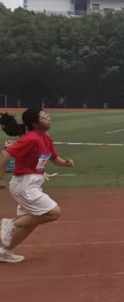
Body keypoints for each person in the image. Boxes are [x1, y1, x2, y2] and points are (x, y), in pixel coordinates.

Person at [0, 109, 74, 263]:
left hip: (33, 183)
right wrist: (0, 178)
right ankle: (10, 224)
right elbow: (6, 153)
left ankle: (4, 252)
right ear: (34, 123)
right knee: (53, 213)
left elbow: (53, 158)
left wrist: (65, 163)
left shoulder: (46, 138)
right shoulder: (31, 138)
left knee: (31, 222)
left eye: (48, 116)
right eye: (44, 117)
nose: (48, 118)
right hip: (24, 184)